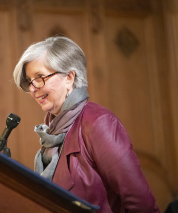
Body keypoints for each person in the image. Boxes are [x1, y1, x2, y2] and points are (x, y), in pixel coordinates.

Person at [13, 36, 159, 213]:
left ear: (69, 77)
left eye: (40, 77)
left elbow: (141, 203)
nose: (33, 88)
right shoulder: (52, 135)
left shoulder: (98, 123)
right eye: (30, 81)